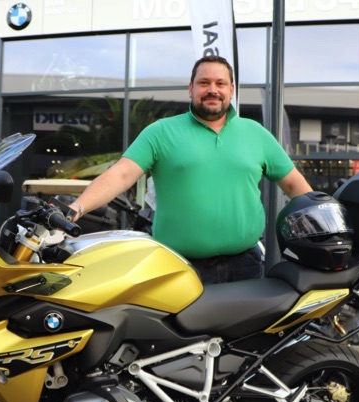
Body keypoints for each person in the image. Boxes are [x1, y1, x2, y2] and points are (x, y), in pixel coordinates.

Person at [68, 55, 312, 284]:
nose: (212, 90)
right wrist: (75, 209)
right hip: (178, 265)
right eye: (204, 82)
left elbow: (292, 184)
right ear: (191, 88)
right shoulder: (161, 132)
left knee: (245, 332)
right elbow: (121, 175)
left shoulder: (256, 133)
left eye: (220, 83)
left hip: (245, 266)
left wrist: (323, 221)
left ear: (232, 90)